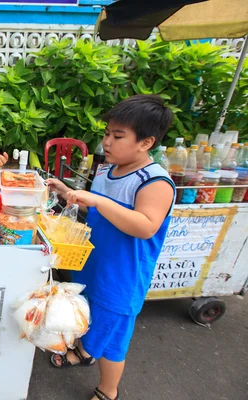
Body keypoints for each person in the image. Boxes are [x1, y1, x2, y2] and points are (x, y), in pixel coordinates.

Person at [47, 95, 175, 400]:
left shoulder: (154, 181)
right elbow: (98, 212)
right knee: (88, 315)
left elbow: (146, 226)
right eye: (107, 133)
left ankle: (108, 390)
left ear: (146, 143)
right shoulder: (107, 170)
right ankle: (84, 351)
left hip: (121, 278)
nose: (107, 141)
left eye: (118, 136)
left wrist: (99, 200)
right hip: (94, 265)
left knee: (114, 341)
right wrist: (68, 193)